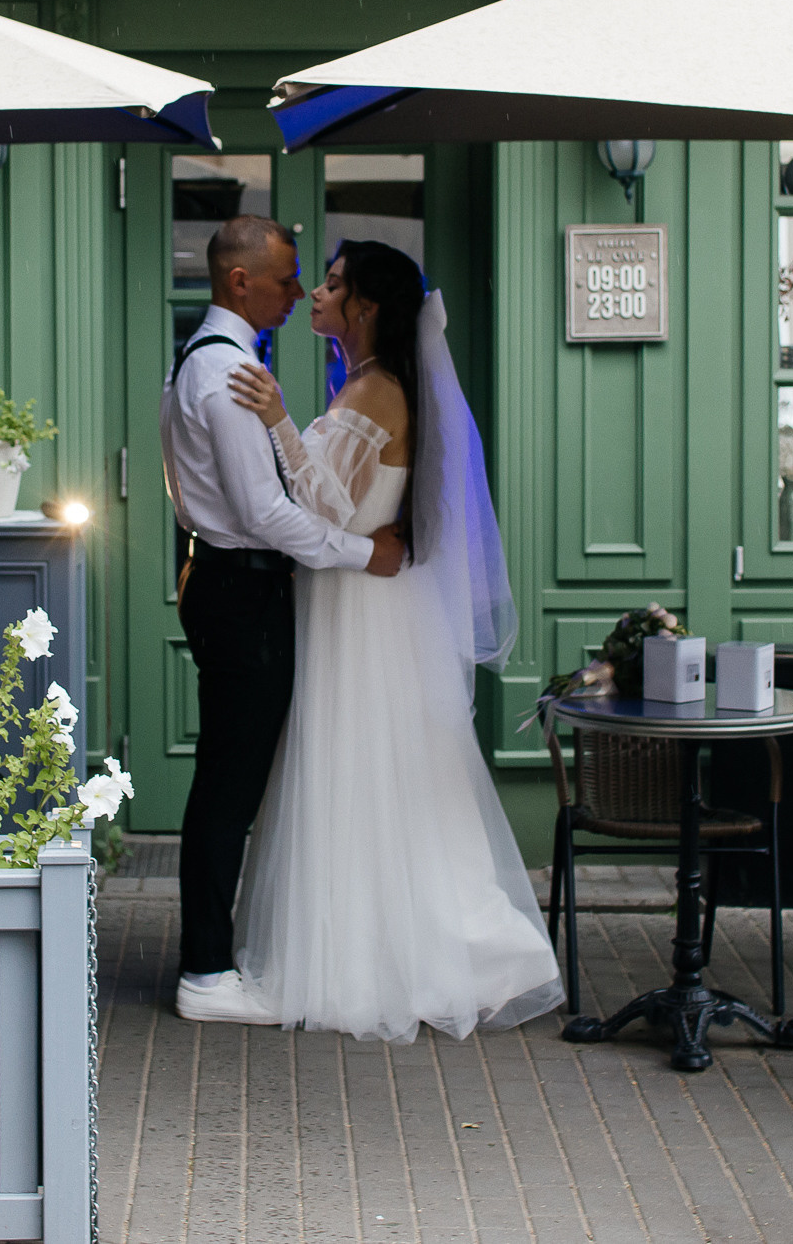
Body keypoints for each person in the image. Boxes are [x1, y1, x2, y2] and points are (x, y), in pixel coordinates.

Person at [224, 240, 565, 1042]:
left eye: (333, 284)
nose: (315, 293)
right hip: (359, 602)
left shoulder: (376, 391)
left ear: (367, 307)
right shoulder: (367, 384)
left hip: (362, 611)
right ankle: (373, 942)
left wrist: (277, 420)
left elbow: (334, 508)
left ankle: (385, 958)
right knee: (369, 770)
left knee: (357, 764)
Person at [160, 215, 405, 1025]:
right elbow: (266, 512)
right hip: (241, 589)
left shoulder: (213, 360)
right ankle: (205, 972)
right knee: (230, 784)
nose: (298, 290)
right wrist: (357, 552)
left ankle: (212, 956)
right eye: (287, 276)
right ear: (240, 282)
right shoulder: (226, 373)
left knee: (232, 778)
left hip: (226, 581)